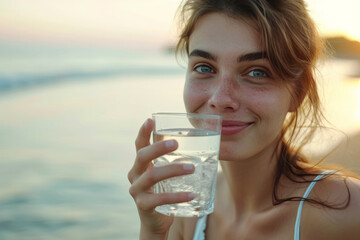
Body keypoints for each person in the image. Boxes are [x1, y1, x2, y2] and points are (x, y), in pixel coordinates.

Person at [128, 0, 360, 239]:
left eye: (257, 72)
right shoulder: (187, 208)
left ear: (298, 92)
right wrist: (153, 231)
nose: (221, 98)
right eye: (205, 68)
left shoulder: (347, 212)